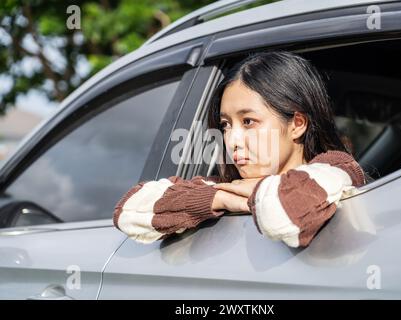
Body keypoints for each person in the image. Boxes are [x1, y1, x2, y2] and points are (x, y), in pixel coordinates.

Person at [113, 51, 366, 248]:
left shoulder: (336, 167)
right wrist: (220, 197)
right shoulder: (229, 186)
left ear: (297, 124)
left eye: (248, 122)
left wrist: (253, 191)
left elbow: (285, 216)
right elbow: (128, 211)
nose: (232, 139)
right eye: (225, 125)